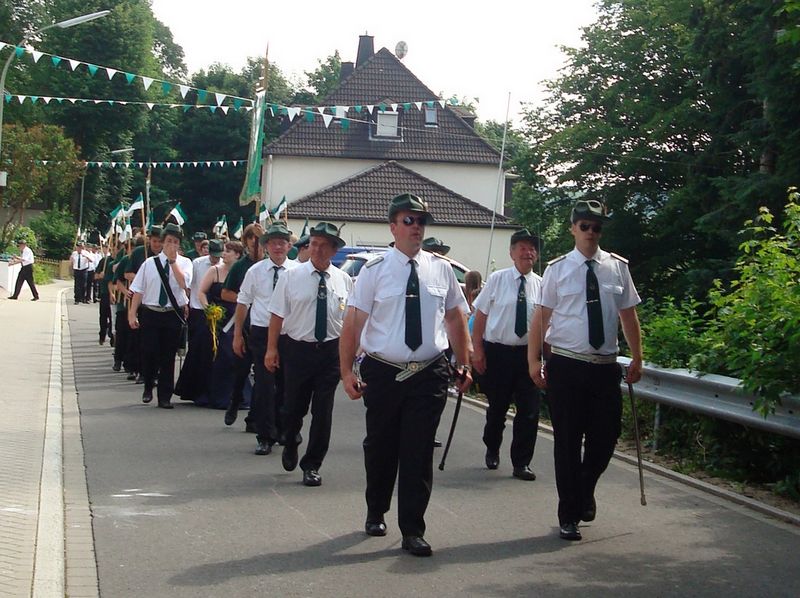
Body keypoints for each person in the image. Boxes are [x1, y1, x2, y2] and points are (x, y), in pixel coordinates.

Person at [339, 193, 473, 557]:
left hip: (429, 372)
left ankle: (413, 529)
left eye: (421, 221)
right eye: (408, 220)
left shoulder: (441, 269)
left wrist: (464, 362)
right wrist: (346, 371)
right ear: (393, 227)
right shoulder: (374, 271)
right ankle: (376, 508)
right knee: (381, 447)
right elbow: (353, 324)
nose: (416, 227)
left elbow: (455, 317)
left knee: (418, 450)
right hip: (384, 371)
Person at [528, 198, 643, 542]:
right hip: (567, 365)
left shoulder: (617, 268)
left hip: (604, 367)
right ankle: (568, 515)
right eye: (584, 226)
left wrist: (637, 357)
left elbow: (628, 316)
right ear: (573, 229)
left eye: (596, 227)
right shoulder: (557, 269)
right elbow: (541, 318)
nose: (591, 232)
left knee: (605, 438)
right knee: (567, 441)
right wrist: (534, 360)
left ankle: (585, 485)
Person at [265, 222, 353, 487]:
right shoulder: (291, 276)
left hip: (330, 352)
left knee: (323, 411)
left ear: (334, 250)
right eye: (313, 244)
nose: (317, 249)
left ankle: (312, 464)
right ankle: (291, 440)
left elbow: (350, 321)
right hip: (297, 350)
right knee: (293, 408)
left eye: (323, 245)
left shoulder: (343, 280)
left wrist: (351, 357)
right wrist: (271, 349)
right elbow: (277, 315)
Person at [471, 229, 542, 481]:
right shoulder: (497, 279)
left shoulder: (542, 285)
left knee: (529, 411)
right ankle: (492, 447)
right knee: (497, 408)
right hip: (498, 353)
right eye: (522, 248)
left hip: (528, 355)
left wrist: (544, 359)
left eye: (532, 249)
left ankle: (521, 462)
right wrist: (477, 351)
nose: (528, 253)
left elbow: (547, 325)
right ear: (512, 253)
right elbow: (480, 317)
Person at [234, 223, 298, 455]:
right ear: (266, 246)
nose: (278, 247)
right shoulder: (255, 271)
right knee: (264, 385)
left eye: (282, 242)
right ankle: (265, 435)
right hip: (262, 332)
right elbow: (243, 302)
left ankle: (284, 428)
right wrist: (238, 334)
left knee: (287, 385)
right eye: (273, 243)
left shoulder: (297, 271)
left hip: (289, 334)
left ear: (289, 246)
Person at [129, 223, 193, 409]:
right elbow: (138, 290)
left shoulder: (185, 263)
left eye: (176, 242)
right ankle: (148, 386)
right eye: (169, 241)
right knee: (150, 352)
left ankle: (165, 396)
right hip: (151, 312)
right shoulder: (149, 263)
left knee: (168, 356)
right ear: (163, 242)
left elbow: (184, 284)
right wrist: (132, 313)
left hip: (172, 313)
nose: (172, 245)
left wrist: (173, 262)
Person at [176, 240, 243, 407]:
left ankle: (230, 393)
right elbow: (201, 292)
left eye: (228, 251)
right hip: (214, 317)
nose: (224, 254)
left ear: (238, 255)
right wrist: (208, 309)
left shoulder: (242, 273)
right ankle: (204, 390)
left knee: (230, 354)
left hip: (234, 316)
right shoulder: (214, 271)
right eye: (224, 251)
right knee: (207, 352)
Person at [221, 223, 264, 427]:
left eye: (259, 239)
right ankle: (235, 400)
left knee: (263, 375)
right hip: (246, 323)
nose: (256, 243)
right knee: (242, 370)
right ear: (246, 242)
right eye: (251, 238)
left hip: (264, 325)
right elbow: (226, 293)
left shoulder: (270, 266)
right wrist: (245, 299)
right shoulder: (240, 266)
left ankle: (254, 417)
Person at [95, 245, 114, 345]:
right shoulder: (105, 261)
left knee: (113, 317)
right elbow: (95, 276)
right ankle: (102, 334)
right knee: (104, 315)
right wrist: (100, 275)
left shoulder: (122, 260)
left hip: (116, 293)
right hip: (105, 292)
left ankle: (112, 335)